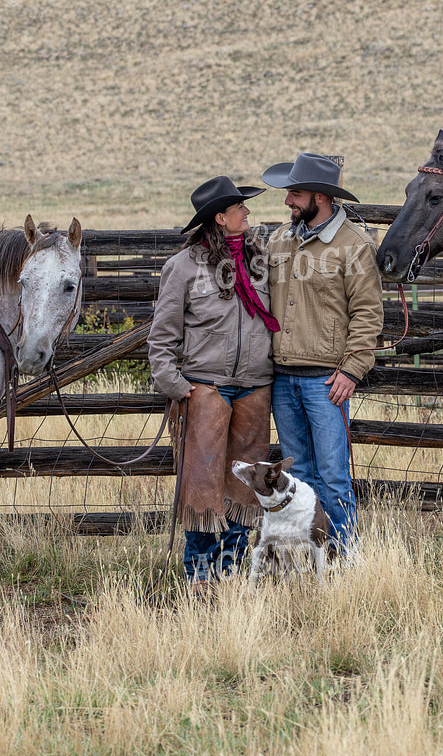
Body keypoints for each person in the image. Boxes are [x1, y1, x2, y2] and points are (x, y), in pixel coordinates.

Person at [147, 175, 280, 590]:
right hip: (205, 388)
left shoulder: (262, 261)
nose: (247, 212)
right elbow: (162, 335)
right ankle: (199, 574)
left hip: (255, 387)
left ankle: (230, 571)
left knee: (245, 487)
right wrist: (174, 384)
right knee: (202, 488)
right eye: (240, 208)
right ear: (221, 218)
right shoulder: (183, 267)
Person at [262, 153, 383, 554]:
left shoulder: (354, 245)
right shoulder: (279, 240)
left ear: (320, 196)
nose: (288, 202)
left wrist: (352, 370)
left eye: (295, 194)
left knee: (332, 476)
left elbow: (368, 313)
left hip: (327, 381)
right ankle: (313, 555)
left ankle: (344, 558)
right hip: (283, 379)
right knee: (302, 476)